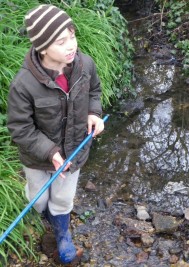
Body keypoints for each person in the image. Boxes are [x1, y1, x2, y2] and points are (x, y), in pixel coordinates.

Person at [7, 4, 104, 265]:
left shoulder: (86, 65)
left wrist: (94, 113)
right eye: (61, 41)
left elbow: (94, 91)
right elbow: (20, 127)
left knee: (62, 198)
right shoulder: (23, 84)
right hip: (37, 158)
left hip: (74, 152)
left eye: (72, 36)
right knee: (38, 199)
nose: (71, 45)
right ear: (42, 46)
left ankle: (62, 232)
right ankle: (42, 214)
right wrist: (50, 153)